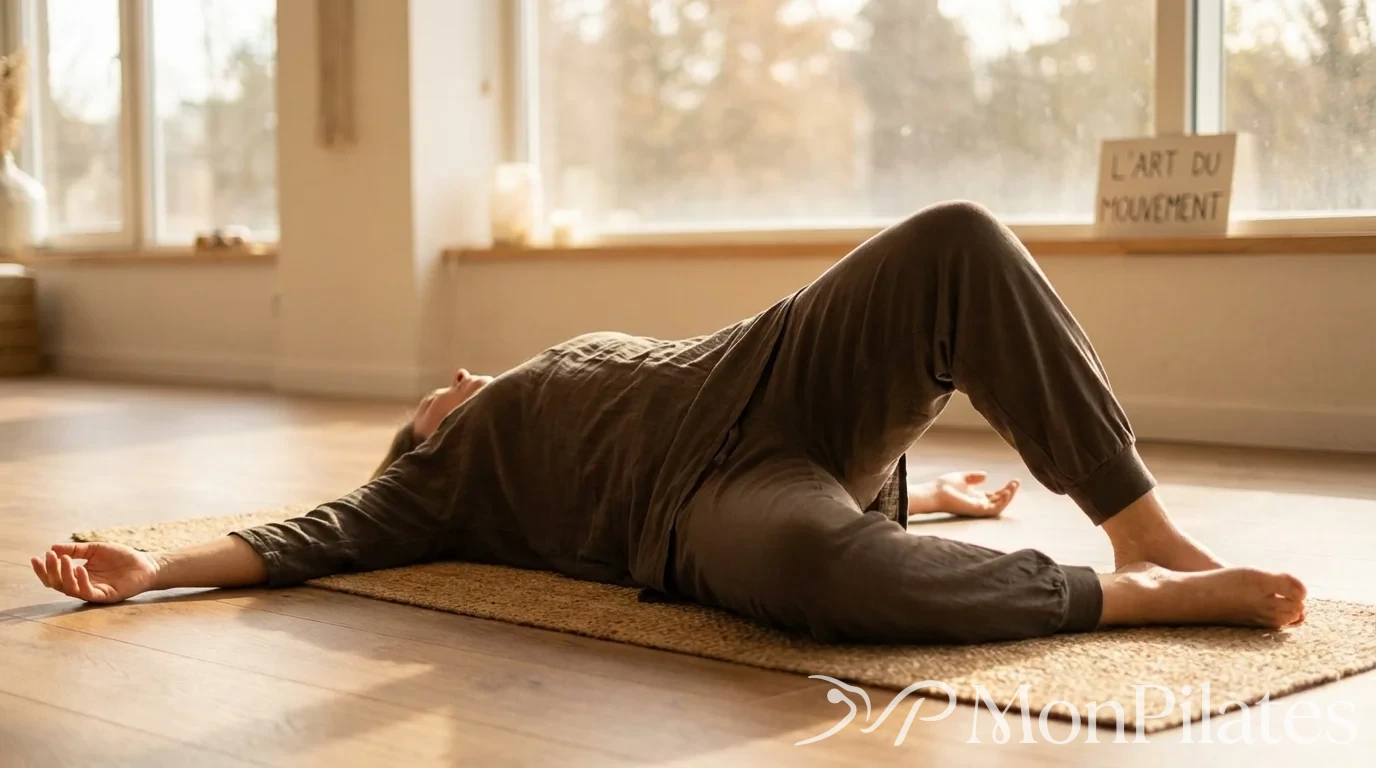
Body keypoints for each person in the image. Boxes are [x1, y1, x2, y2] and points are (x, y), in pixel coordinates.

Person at [29, 201, 1306, 644]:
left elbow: (769, 380)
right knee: (816, 569)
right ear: (415, 439)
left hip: (762, 367)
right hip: (698, 514)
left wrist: (922, 494)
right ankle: (1118, 601)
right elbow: (293, 536)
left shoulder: (555, 358)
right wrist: (152, 570)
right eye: (426, 400)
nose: (452, 379)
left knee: (955, 238)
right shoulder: (431, 485)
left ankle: (1143, 533)